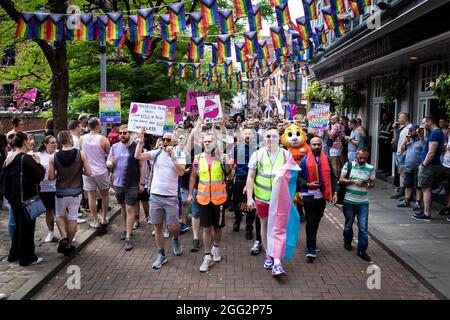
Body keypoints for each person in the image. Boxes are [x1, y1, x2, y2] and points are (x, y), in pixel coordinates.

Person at [135, 129, 186, 269]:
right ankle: (161, 254)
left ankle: (175, 239)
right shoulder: (156, 153)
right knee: (157, 225)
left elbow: (181, 171)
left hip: (170, 197)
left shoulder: (181, 154)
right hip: (156, 196)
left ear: (175, 142)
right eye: (163, 139)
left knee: (173, 226)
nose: (165, 142)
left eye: (168, 140)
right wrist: (140, 141)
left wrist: (173, 156)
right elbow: (138, 156)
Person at [246, 127, 291, 275]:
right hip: (262, 198)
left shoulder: (286, 154)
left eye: (273, 136)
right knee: (264, 225)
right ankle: (269, 254)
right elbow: (251, 177)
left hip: (279, 200)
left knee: (278, 227)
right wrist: (249, 198)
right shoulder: (257, 154)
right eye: (267, 136)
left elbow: (291, 179)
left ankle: (277, 261)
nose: (270, 139)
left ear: (279, 138)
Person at [187, 133, 233, 272]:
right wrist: (190, 194)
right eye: (205, 141)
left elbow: (230, 176)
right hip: (203, 199)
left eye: (210, 141)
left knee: (217, 228)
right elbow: (193, 176)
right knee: (206, 228)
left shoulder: (223, 157)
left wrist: (229, 165)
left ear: (216, 142)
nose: (207, 143)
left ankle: (216, 247)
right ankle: (207, 255)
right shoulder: (198, 158)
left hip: (219, 200)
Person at [2, 132, 45, 266]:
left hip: (14, 198)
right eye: (29, 140)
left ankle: (14, 254)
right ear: (25, 142)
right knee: (27, 228)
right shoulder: (26, 158)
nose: (31, 142)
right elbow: (39, 175)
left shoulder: (9, 157)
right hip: (25, 197)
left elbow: (4, 179)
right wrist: (38, 163)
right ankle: (27, 258)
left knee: (19, 227)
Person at [48, 131, 91, 256]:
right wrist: (79, 171)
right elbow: (89, 172)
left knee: (60, 214)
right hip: (76, 191)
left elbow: (50, 177)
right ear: (70, 139)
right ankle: (69, 244)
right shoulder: (81, 154)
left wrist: (59, 174)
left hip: (60, 191)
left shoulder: (53, 157)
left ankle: (63, 236)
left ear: (60, 141)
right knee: (72, 217)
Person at [297, 137, 339, 262]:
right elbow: (298, 178)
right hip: (308, 195)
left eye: (318, 144)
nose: (316, 146)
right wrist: (307, 184)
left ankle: (311, 241)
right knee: (311, 220)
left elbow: (333, 177)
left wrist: (335, 192)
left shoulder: (327, 160)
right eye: (314, 144)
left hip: (321, 195)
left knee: (317, 219)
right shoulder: (304, 160)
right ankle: (311, 248)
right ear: (310, 146)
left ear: (322, 146)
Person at [107, 125, 146, 251]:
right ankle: (126, 228)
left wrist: (141, 182)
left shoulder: (136, 147)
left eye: (125, 133)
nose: (122, 135)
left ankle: (128, 237)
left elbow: (142, 165)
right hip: (118, 184)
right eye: (120, 133)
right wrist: (111, 163)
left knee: (130, 209)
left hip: (132, 183)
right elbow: (108, 162)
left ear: (129, 134)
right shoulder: (114, 147)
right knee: (123, 208)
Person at [339, 148, 375, 262]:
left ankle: (361, 250)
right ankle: (347, 241)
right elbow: (341, 179)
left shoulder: (370, 168)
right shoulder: (348, 165)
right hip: (349, 201)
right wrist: (352, 182)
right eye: (360, 157)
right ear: (356, 155)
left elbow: (372, 183)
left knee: (363, 227)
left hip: (363, 202)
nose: (362, 159)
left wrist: (366, 184)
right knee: (349, 224)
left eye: (365, 158)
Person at [79, 117, 111, 229]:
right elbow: (109, 154)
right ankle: (104, 218)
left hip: (87, 171)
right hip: (101, 170)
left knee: (91, 196)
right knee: (105, 195)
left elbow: (81, 153)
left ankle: (96, 221)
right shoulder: (104, 139)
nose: (102, 125)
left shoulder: (81, 138)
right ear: (97, 126)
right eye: (100, 124)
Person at [412, 116, 445, 222]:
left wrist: (424, 164)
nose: (422, 125)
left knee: (426, 188)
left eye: (423, 122)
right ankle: (425, 211)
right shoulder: (434, 133)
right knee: (426, 188)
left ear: (429, 122)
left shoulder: (436, 133)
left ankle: (426, 214)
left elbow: (431, 152)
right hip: (431, 165)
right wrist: (421, 136)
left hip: (430, 166)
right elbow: (425, 147)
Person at [233, 128, 257, 239]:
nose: (247, 135)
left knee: (251, 205)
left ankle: (249, 227)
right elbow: (230, 161)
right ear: (242, 136)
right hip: (240, 179)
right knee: (237, 203)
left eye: (249, 133)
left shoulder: (257, 149)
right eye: (245, 133)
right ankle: (237, 220)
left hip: (253, 180)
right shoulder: (236, 148)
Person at [397, 125, 423, 210]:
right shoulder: (409, 141)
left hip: (417, 166)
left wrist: (421, 136)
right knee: (407, 184)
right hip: (407, 165)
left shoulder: (421, 141)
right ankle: (406, 200)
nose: (410, 133)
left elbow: (425, 149)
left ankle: (418, 202)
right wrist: (405, 142)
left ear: (416, 131)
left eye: (411, 131)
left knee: (418, 185)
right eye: (409, 131)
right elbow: (402, 150)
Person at [38, 135, 58, 243]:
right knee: (49, 211)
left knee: (61, 211)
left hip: (59, 187)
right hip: (45, 188)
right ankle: (50, 232)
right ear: (45, 144)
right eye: (52, 142)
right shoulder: (39, 155)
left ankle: (66, 233)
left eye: (55, 142)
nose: (55, 144)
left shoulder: (59, 153)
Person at [391, 112, 412, 199]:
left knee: (403, 172)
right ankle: (401, 189)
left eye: (400, 118)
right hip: (398, 152)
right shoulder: (402, 128)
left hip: (403, 153)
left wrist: (406, 150)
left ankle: (403, 191)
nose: (398, 120)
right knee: (400, 172)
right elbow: (395, 139)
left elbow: (411, 140)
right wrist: (395, 130)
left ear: (405, 118)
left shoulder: (410, 128)